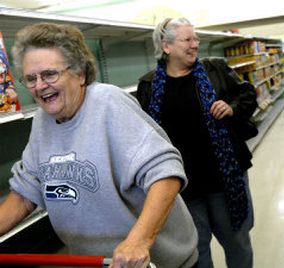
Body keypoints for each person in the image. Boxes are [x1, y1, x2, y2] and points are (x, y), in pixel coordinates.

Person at [0, 22, 199, 268]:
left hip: (156, 262)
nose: (40, 86)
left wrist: (138, 242)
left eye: (50, 74)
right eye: (31, 78)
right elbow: (25, 193)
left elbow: (166, 174)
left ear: (80, 73)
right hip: (99, 262)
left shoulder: (108, 103)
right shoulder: (43, 120)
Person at [136, 17, 256, 268]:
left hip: (224, 178)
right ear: (166, 46)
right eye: (188, 39)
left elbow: (247, 94)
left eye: (196, 39)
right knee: (195, 249)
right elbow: (144, 132)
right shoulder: (149, 85)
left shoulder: (215, 70)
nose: (195, 45)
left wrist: (232, 107)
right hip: (183, 185)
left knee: (237, 242)